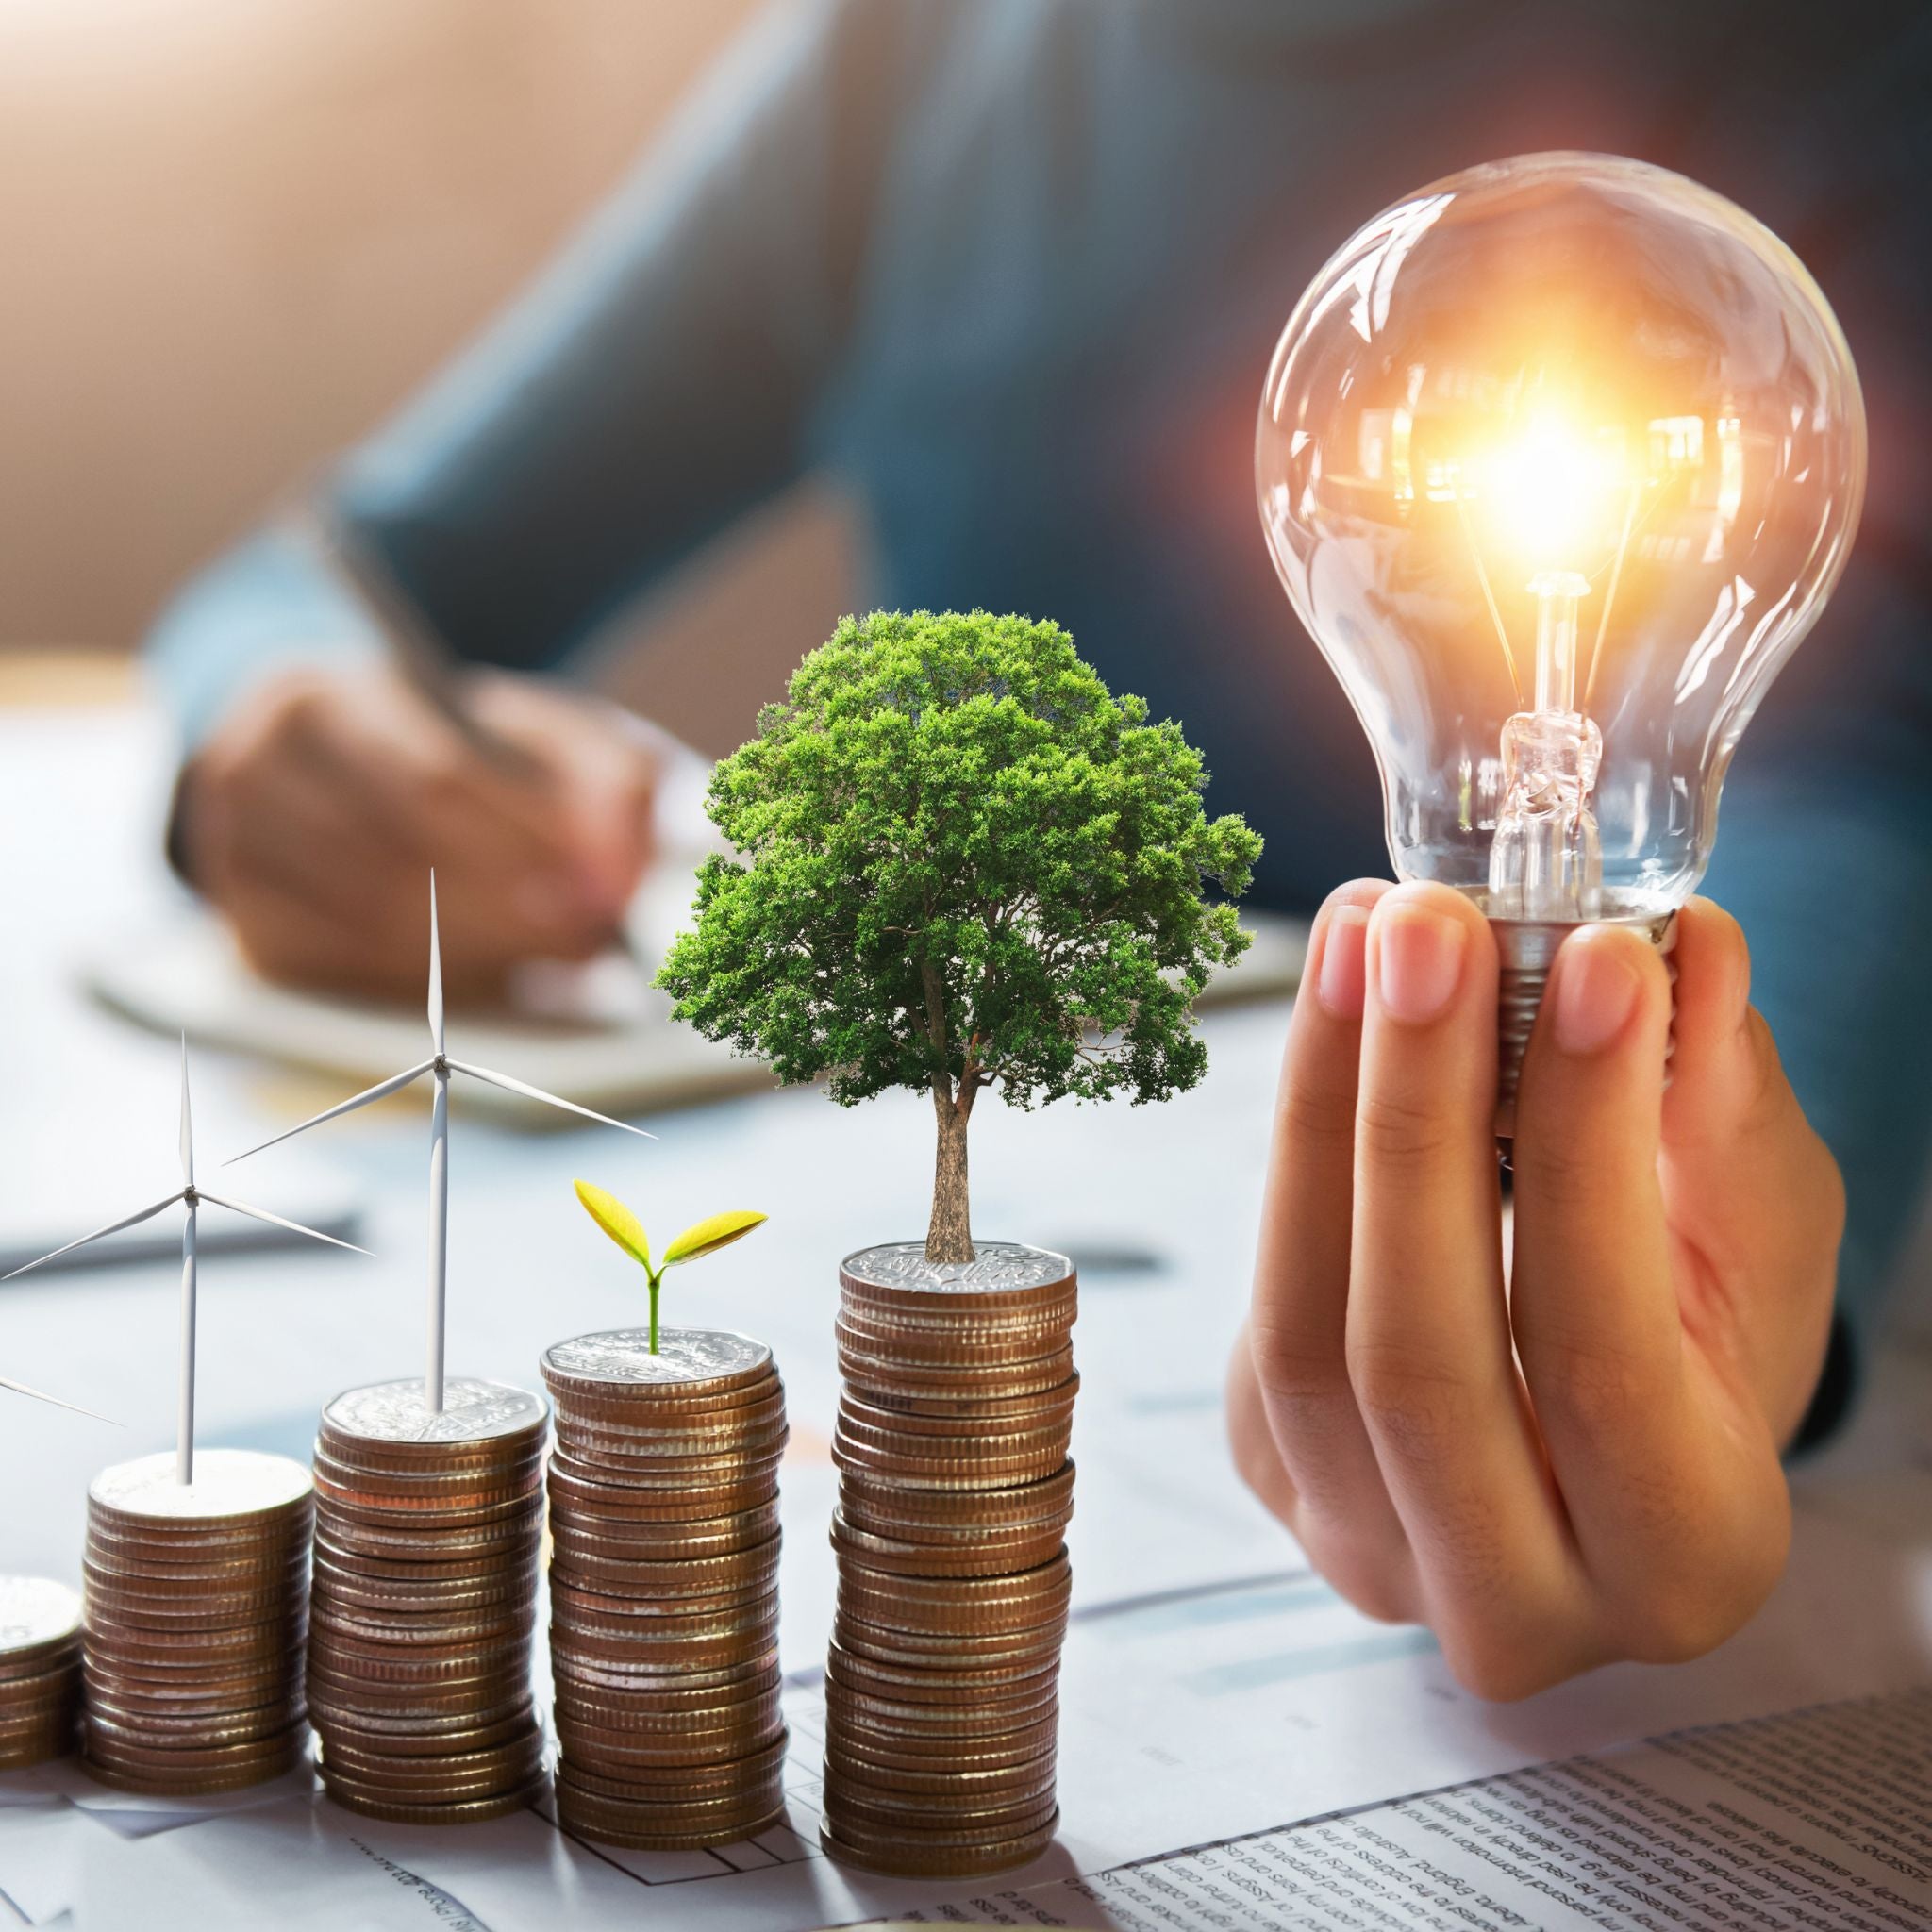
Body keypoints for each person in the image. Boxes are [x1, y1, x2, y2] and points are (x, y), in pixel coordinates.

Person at [145, 0, 1932, 1690]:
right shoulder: (921, 55)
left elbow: (1866, 739)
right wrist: (278, 723)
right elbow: (341, 568)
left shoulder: (1846, 64)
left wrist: (1742, 1263)